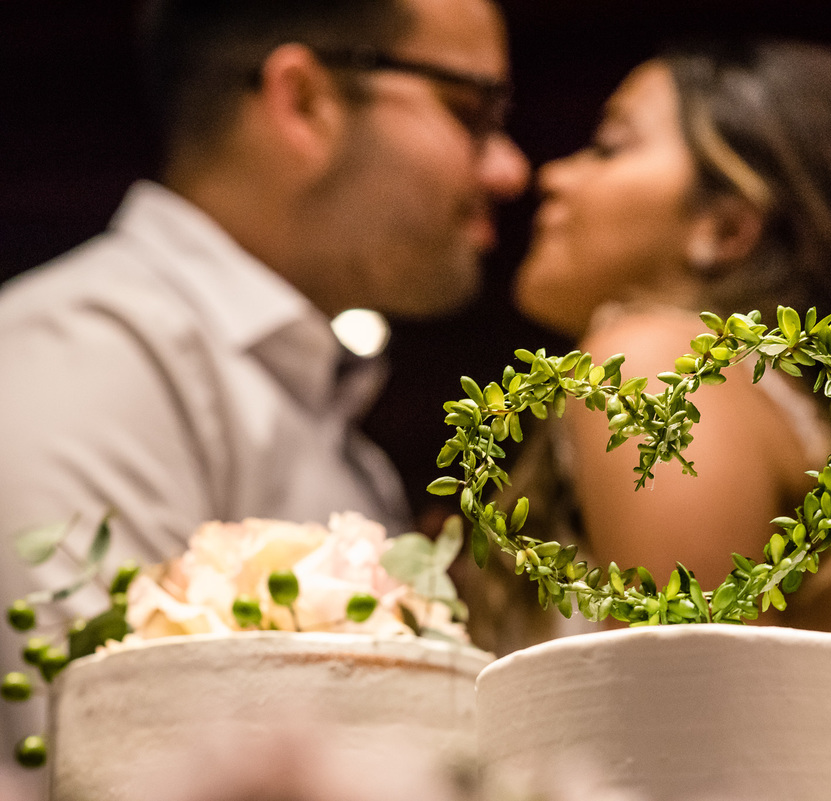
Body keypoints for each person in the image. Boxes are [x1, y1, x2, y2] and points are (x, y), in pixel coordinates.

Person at [0, 0, 527, 793]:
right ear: (304, 101)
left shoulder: (331, 425)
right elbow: (113, 765)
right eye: (470, 111)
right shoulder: (86, 351)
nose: (509, 168)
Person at [500, 40, 831, 650]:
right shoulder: (766, 391)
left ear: (725, 228)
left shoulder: (660, 365)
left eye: (610, 146)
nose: (553, 176)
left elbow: (684, 694)